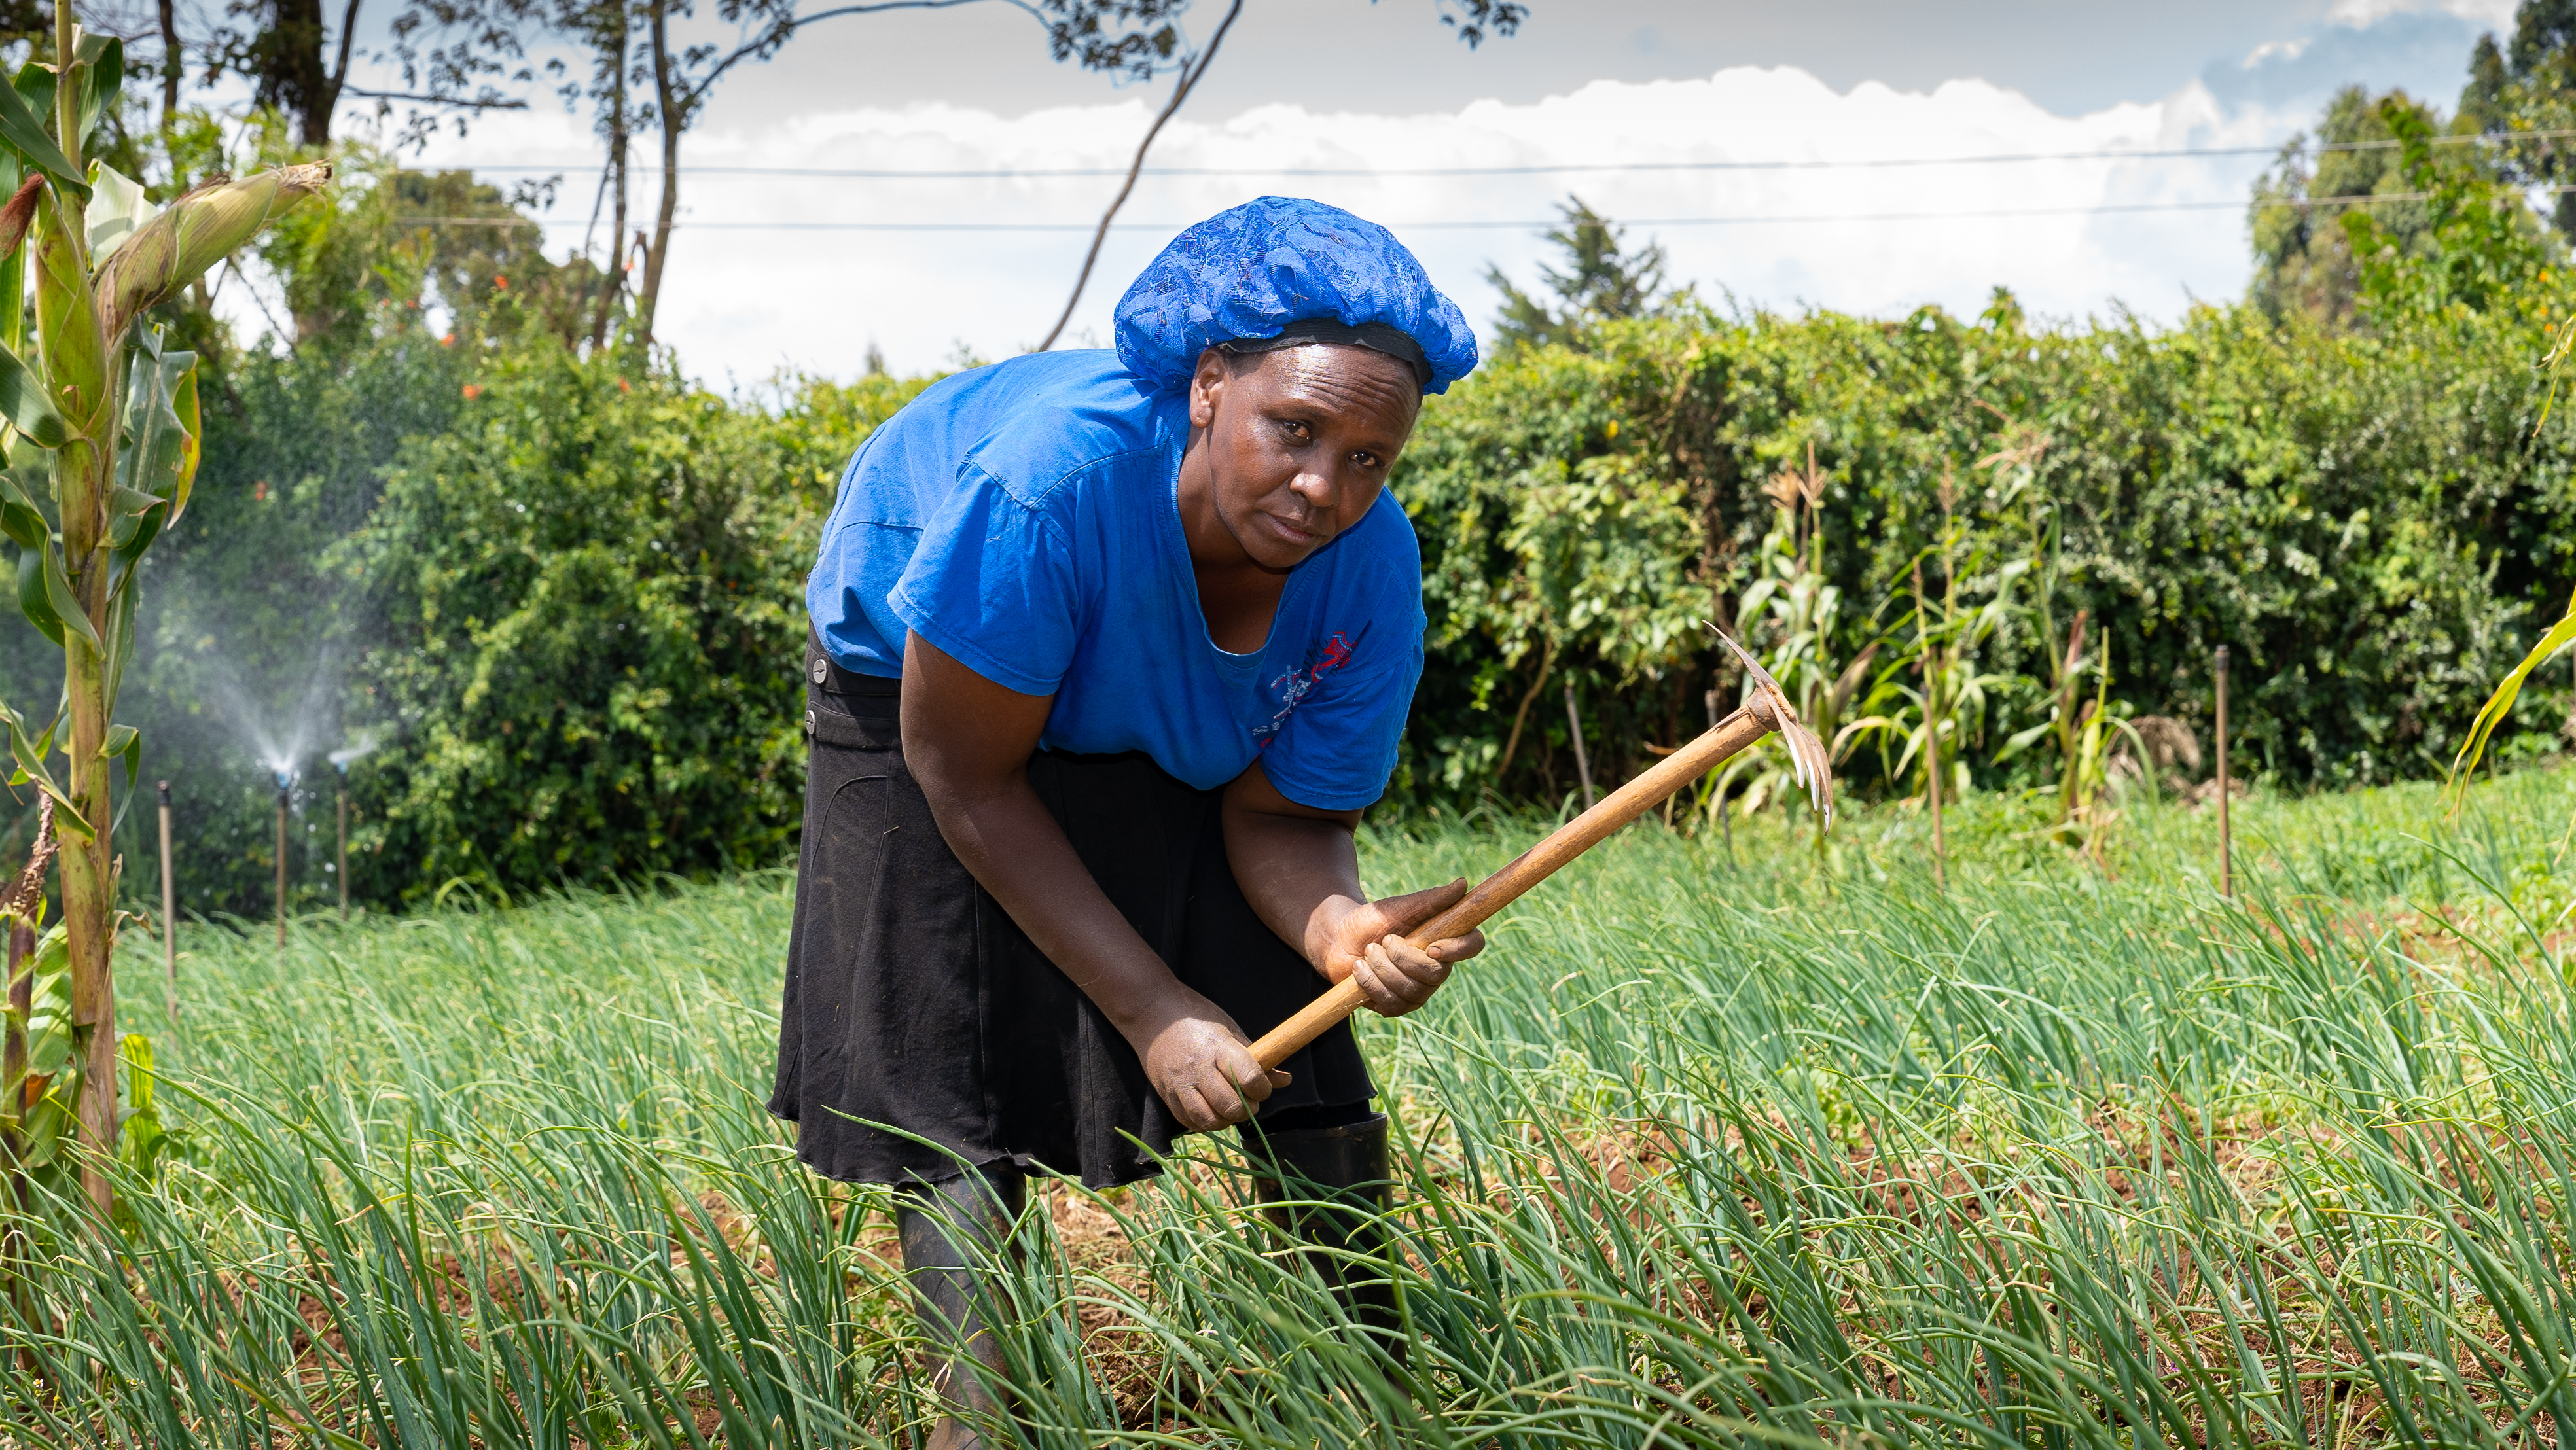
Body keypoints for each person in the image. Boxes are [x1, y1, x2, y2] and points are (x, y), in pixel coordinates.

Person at [771, 196, 1485, 1446]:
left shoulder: (1369, 569)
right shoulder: (1049, 489)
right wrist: (1154, 1012)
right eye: (1296, 430)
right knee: (955, 1032)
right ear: (1210, 386)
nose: (1325, 487)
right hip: (927, 664)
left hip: (1133, 673)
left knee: (1284, 1011)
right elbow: (974, 783)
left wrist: (1339, 931)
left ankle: (1379, 1396)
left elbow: (1280, 819)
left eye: (1370, 458)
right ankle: (986, 1417)